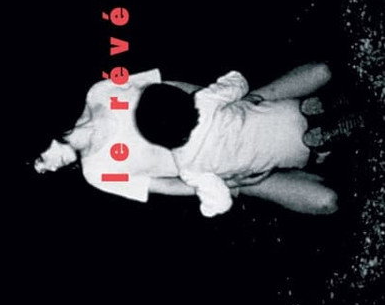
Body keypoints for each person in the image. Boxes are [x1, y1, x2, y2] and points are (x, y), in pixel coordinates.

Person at [35, 62, 341, 216]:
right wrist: (232, 183)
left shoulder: (100, 91)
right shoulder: (97, 173)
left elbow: (168, 85)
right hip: (217, 172)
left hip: (223, 115)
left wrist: (229, 106)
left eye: (38, 159)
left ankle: (325, 116)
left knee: (323, 71)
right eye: (42, 169)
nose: (45, 168)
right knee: (328, 201)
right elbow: (165, 186)